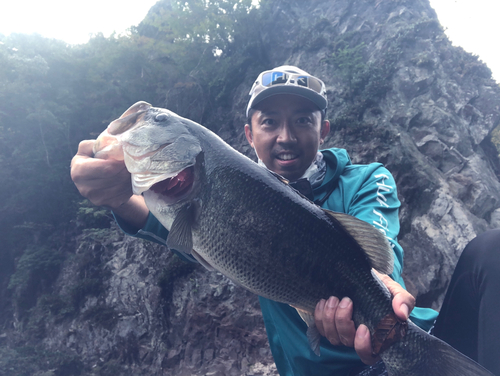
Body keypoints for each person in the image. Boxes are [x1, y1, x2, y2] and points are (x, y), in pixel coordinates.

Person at [71, 66, 499, 375]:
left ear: (324, 129)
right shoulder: (209, 194)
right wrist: (119, 196)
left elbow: (379, 251)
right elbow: (167, 226)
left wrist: (381, 297)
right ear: (248, 135)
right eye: (270, 122)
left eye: (302, 121)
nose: (286, 136)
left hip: (415, 337)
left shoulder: (369, 179)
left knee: (491, 250)